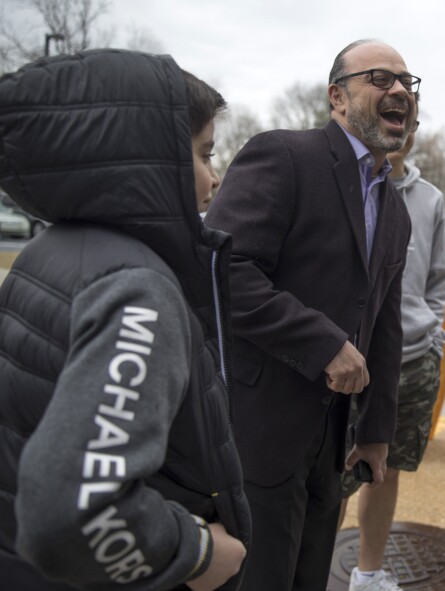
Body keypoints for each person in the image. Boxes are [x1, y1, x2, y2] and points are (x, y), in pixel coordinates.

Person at [0, 49, 250, 590]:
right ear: (154, 158)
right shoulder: (139, 290)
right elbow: (72, 509)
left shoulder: (52, 250)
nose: (213, 180)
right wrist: (199, 554)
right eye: (205, 155)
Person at [203, 39, 414, 591]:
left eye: (407, 83)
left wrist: (374, 431)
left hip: (334, 443)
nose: (399, 92)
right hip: (259, 430)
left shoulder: (395, 208)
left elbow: (383, 326)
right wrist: (322, 343)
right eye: (380, 78)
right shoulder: (283, 155)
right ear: (336, 98)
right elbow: (223, 269)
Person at [338, 111, 445, 591]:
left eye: (410, 122)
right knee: (334, 476)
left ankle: (368, 573)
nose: (401, 128)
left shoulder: (430, 199)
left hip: (414, 360)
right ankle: (314, 564)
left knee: (384, 472)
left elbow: (437, 279)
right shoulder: (346, 186)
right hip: (350, 363)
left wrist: (433, 339)